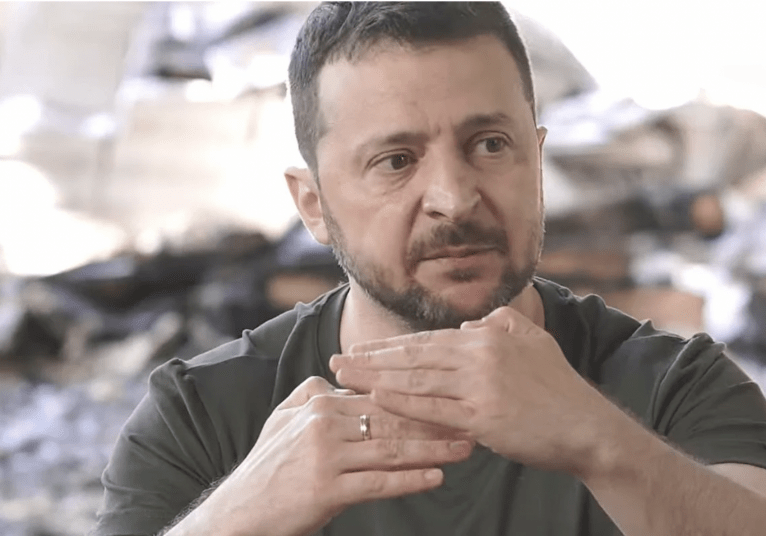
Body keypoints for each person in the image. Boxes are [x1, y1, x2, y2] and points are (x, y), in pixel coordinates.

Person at [93, 3, 766, 535]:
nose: (454, 197)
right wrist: (237, 519)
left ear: (536, 162)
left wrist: (599, 442)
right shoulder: (201, 418)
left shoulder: (676, 389)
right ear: (313, 205)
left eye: (489, 144)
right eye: (396, 160)